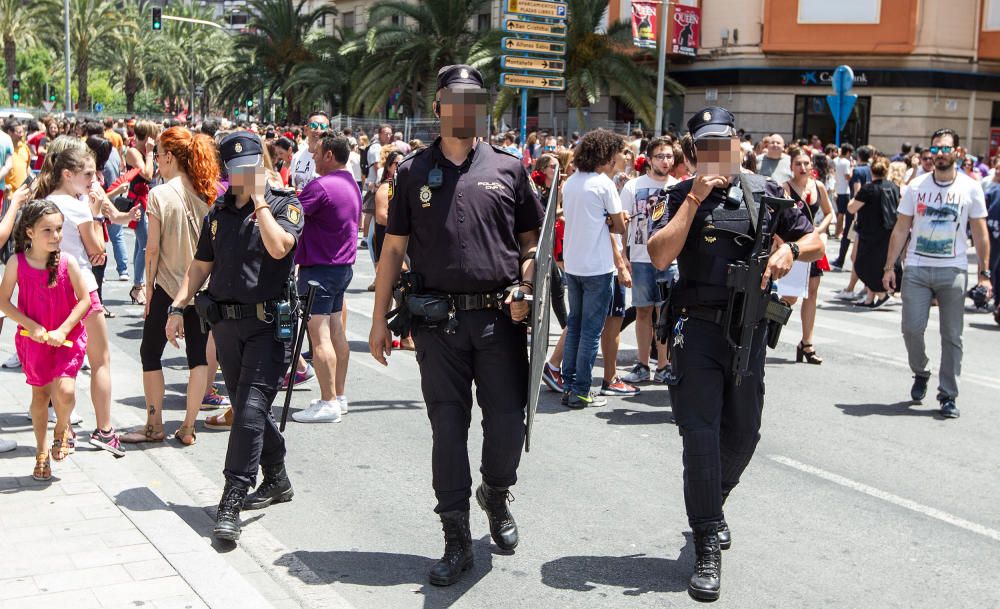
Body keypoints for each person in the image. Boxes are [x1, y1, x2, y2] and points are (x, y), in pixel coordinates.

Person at [368, 65, 543, 586]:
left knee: (508, 423)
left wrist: (526, 287)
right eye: (456, 98)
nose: (466, 107)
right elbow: (393, 249)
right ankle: (456, 537)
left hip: (498, 320)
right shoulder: (413, 173)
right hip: (438, 324)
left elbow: (532, 243)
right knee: (448, 430)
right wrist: (379, 320)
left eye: (475, 98)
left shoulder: (510, 169)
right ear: (439, 105)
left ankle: (495, 490)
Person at [646, 107, 822, 602]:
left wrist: (793, 251)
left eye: (722, 144)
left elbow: (815, 237)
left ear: (737, 144)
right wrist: (695, 198)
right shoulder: (677, 195)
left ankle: (712, 502)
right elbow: (660, 254)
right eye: (705, 146)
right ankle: (706, 542)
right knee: (700, 436)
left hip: (746, 329)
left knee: (744, 432)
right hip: (695, 329)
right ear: (694, 151)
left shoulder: (766, 192)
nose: (715, 154)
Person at [882, 129, 992, 419]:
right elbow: (901, 228)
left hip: (953, 269)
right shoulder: (916, 186)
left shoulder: (970, 188)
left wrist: (985, 274)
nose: (940, 153)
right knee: (911, 328)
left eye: (946, 148)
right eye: (936, 148)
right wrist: (889, 266)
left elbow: (980, 234)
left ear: (957, 152)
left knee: (952, 335)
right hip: (917, 268)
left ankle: (948, 394)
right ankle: (921, 371)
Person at [121, 127, 219, 447]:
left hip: (166, 287)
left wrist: (147, 289)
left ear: (169, 156)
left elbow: (152, 249)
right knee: (198, 360)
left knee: (150, 353)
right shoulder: (207, 192)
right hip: (201, 289)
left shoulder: (159, 194)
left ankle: (154, 424)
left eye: (158, 155)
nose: (156, 161)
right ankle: (188, 426)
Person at [33, 137, 124, 457]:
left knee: (60, 364)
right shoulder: (78, 205)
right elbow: (97, 249)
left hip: (51, 291)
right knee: (99, 361)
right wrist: (97, 214)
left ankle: (65, 430)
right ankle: (105, 430)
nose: (95, 181)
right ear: (68, 173)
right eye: (88, 174)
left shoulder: (43, 200)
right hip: (83, 288)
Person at [0, 201, 93, 479]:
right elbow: (3, 302)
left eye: (59, 229)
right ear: (29, 232)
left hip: (66, 339)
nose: (56, 236)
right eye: (47, 230)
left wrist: (64, 329)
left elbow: (85, 299)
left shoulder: (67, 262)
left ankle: (62, 428)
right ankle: (42, 452)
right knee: (40, 396)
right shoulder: (17, 262)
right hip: (34, 341)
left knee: (65, 392)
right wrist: (31, 325)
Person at [290, 135, 361, 423]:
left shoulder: (321, 185)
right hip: (340, 267)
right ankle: (338, 396)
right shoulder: (351, 184)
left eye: (317, 154)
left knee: (318, 336)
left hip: (319, 269)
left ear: (329, 155)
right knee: (335, 332)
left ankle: (328, 400)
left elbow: (292, 214)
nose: (313, 158)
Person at [560, 129, 629, 408]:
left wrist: (608, 221)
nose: (621, 158)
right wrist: (614, 220)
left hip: (574, 265)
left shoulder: (572, 182)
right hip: (598, 267)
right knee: (590, 330)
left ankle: (570, 385)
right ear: (608, 156)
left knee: (575, 325)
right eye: (618, 153)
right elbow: (620, 225)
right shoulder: (604, 184)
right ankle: (581, 390)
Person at [619, 137, 678, 385]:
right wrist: (623, 256)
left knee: (664, 313)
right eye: (660, 156)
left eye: (669, 156)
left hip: (669, 259)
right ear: (649, 159)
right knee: (643, 311)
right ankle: (643, 363)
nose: (665, 161)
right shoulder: (633, 187)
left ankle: (663, 365)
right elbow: (622, 225)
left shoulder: (678, 187)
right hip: (641, 257)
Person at [782, 149, 834, 363]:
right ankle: (766, 333)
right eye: (798, 164)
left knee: (812, 293)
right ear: (791, 166)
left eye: (806, 163)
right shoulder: (785, 188)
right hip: (793, 245)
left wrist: (819, 230)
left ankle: (807, 342)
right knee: (790, 297)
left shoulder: (818, 186)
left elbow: (829, 212)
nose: (802, 168)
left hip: (813, 245)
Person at [849, 156, 900, 308]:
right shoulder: (893, 186)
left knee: (862, 264)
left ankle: (881, 295)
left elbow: (852, 208)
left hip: (869, 233)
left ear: (872, 170)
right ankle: (869, 299)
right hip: (888, 232)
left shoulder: (868, 188)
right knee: (878, 265)